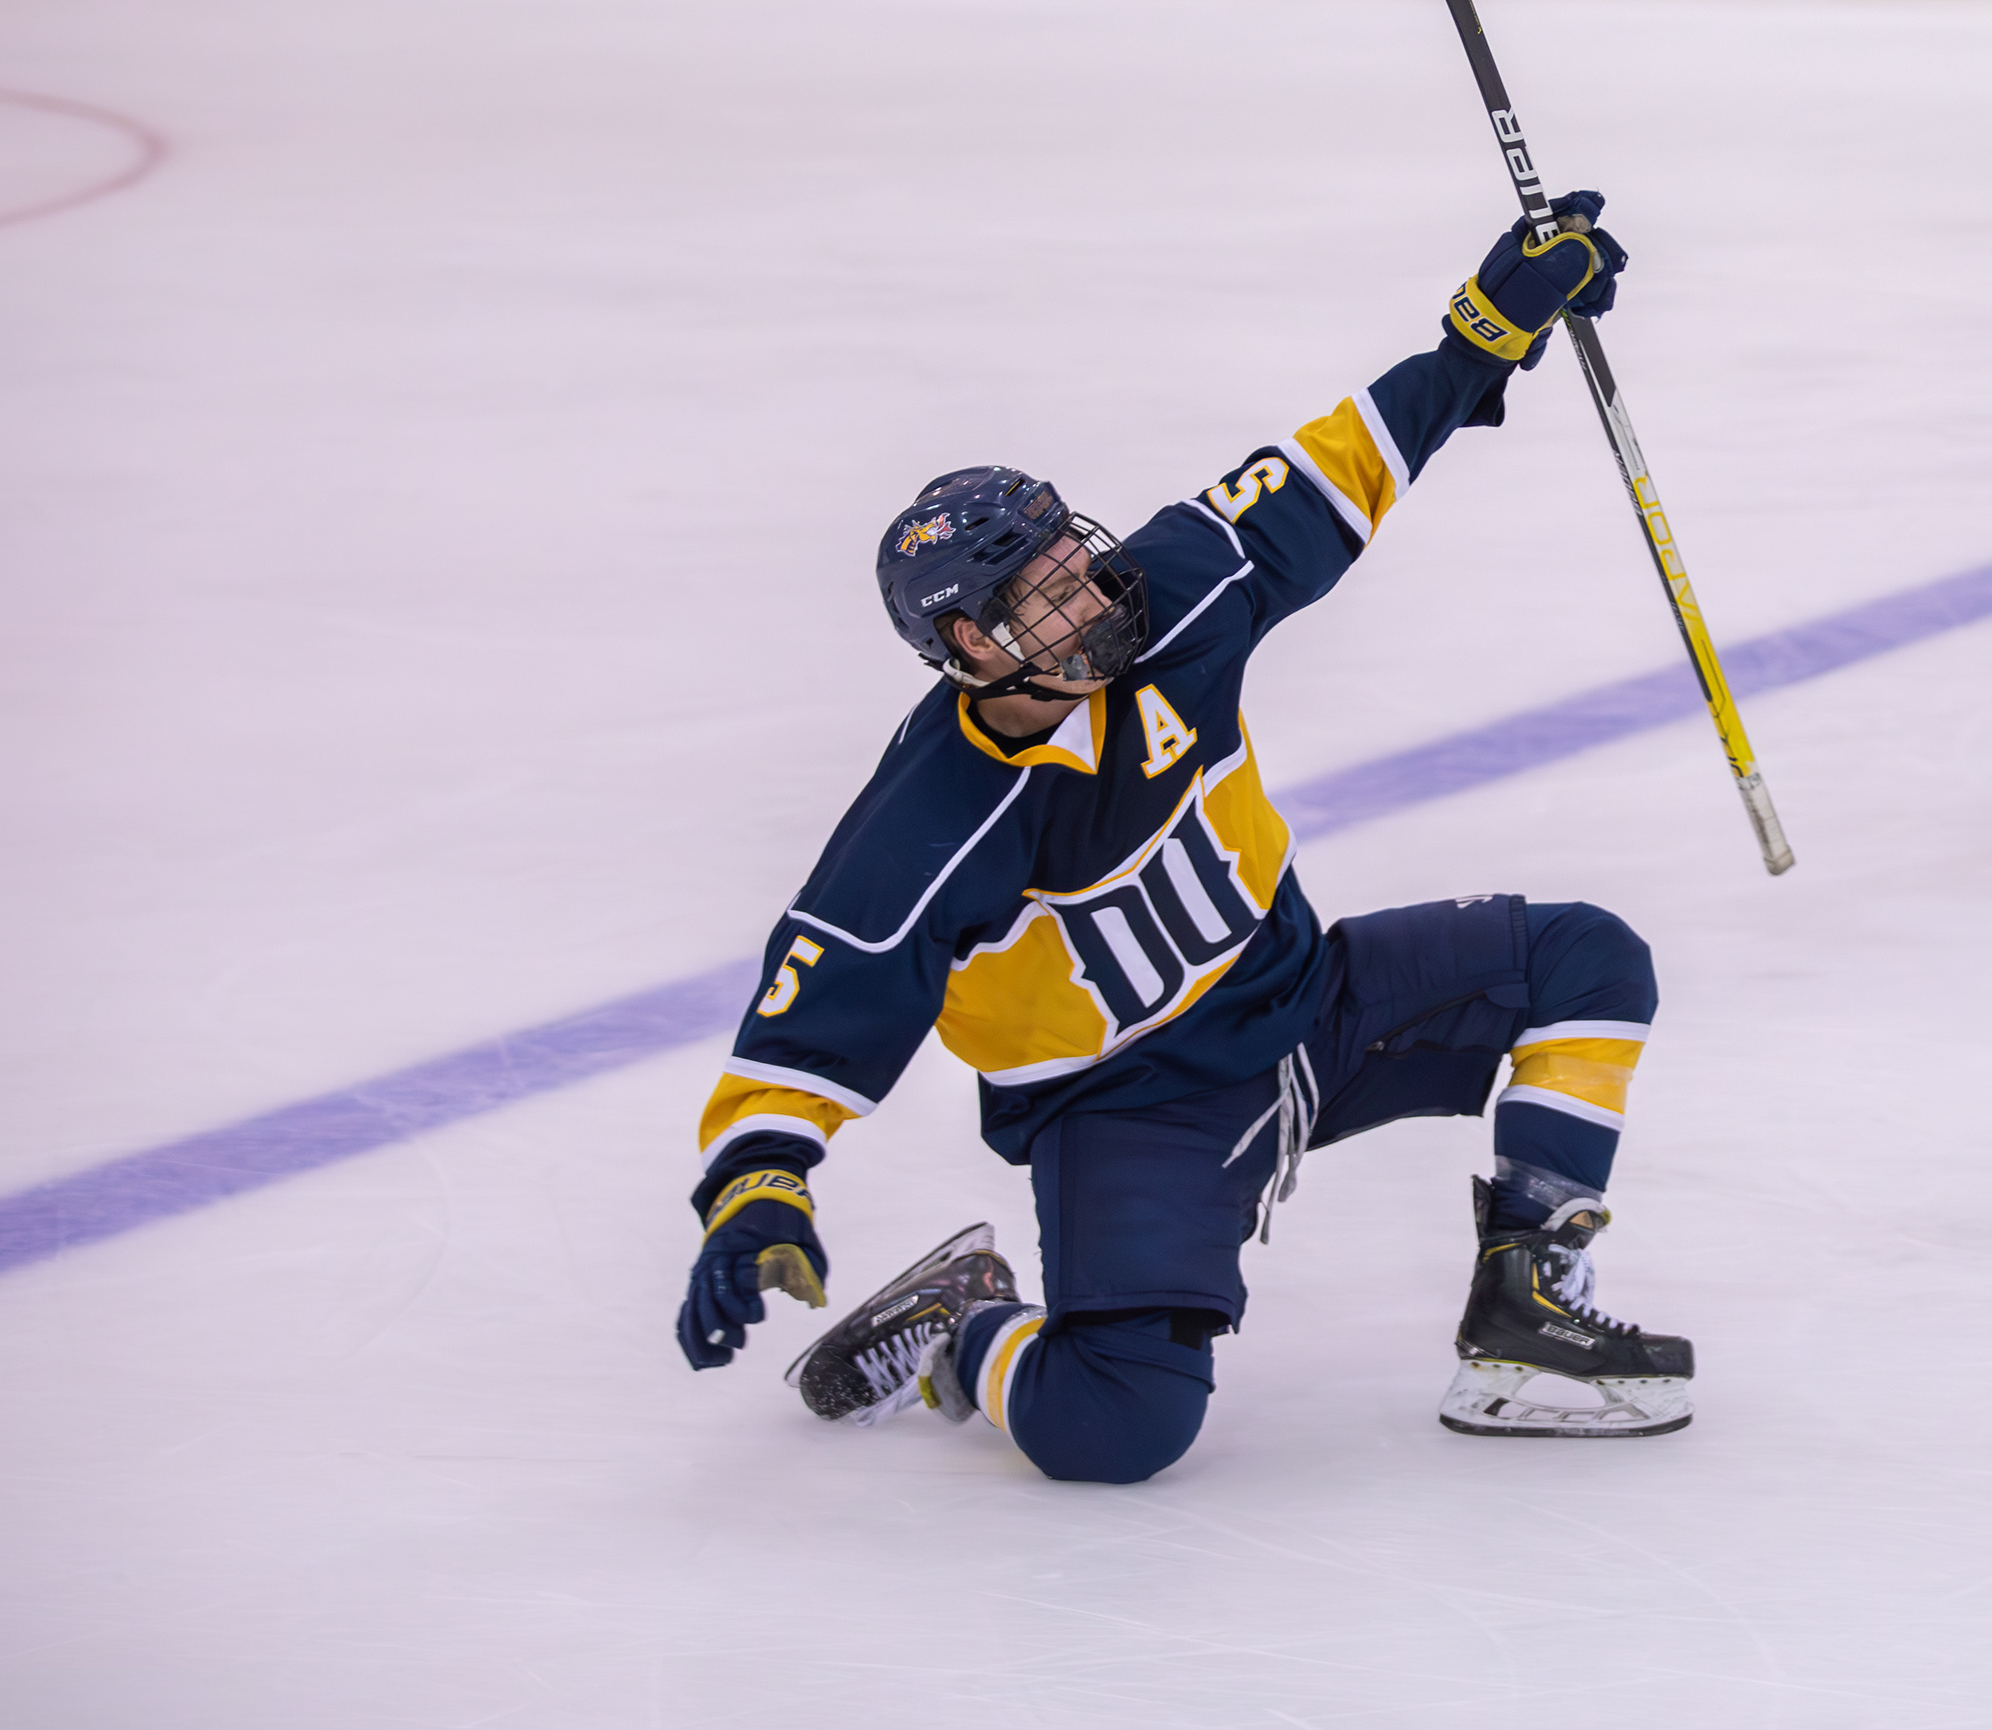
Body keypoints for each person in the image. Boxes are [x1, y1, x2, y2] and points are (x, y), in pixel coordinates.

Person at [675, 197, 1703, 1477]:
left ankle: (1525, 1304)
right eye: (1043, 594)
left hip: (1307, 999)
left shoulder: (1171, 594)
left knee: (1588, 961)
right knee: (1117, 1427)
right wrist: (755, 1187)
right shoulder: (934, 820)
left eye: (1073, 556)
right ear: (971, 650)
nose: (1090, 591)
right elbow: (811, 1013)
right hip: (1129, 1104)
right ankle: (963, 1326)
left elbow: (1335, 466)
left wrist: (1484, 332)